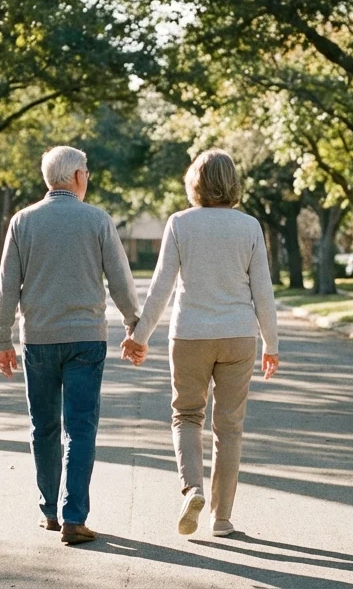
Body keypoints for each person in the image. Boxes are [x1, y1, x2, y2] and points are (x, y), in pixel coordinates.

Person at [123, 149, 280, 538]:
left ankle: (192, 488)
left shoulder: (180, 223)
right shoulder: (249, 227)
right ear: (233, 183)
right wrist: (271, 345)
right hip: (238, 337)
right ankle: (222, 519)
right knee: (229, 428)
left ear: (194, 182)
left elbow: (162, 287)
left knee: (187, 415)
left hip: (190, 334)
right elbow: (264, 292)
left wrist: (138, 336)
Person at [0, 146, 141, 546]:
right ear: (77, 177)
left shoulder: (22, 221)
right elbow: (120, 280)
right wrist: (134, 325)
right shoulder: (97, 220)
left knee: (43, 427)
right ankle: (74, 516)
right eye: (87, 173)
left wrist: (3, 337)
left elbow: (8, 286)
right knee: (80, 428)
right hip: (86, 340)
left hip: (38, 339)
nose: (87, 179)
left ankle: (49, 512)